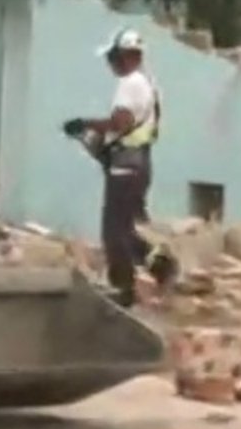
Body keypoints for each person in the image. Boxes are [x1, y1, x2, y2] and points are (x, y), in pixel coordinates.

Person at [62, 28, 175, 307]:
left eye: (112, 57)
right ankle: (161, 265)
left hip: (126, 169)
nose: (110, 63)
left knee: (113, 232)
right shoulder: (147, 83)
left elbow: (120, 123)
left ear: (125, 56)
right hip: (138, 165)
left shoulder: (130, 84)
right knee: (125, 229)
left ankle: (123, 288)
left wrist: (85, 124)